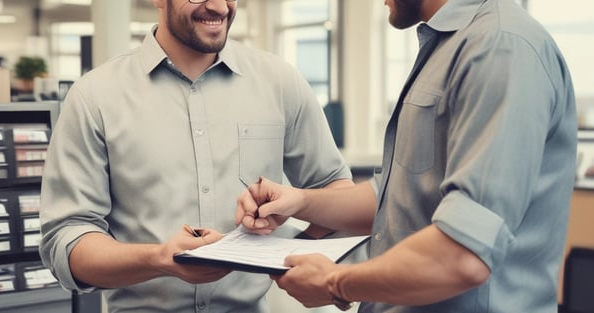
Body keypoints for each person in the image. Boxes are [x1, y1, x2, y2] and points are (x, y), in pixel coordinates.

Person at [236, 0, 577, 312]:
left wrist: (335, 282)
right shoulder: (447, 45)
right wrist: (299, 201)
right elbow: (396, 198)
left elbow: (463, 255)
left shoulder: (501, 48)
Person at [38, 0, 354, 312]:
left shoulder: (280, 81)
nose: (219, 7)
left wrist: (290, 257)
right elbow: (67, 243)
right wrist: (159, 259)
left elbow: (336, 190)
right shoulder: (95, 96)